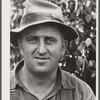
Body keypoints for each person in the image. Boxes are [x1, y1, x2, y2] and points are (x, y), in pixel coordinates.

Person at [10, 0, 95, 100]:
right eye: (33, 40)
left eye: (50, 40)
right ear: (20, 46)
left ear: (63, 47)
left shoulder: (81, 94)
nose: (42, 50)